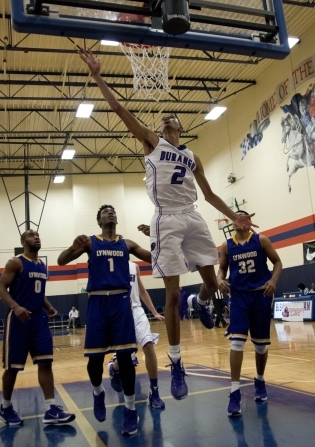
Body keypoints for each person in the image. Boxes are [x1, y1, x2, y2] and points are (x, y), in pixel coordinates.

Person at [78, 49, 256, 401]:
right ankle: (176, 362)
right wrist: (98, 75)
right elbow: (118, 110)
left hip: (192, 214)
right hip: (166, 220)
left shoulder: (192, 155)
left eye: (172, 116)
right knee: (172, 293)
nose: (166, 117)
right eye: (163, 117)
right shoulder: (152, 142)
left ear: (181, 127)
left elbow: (208, 194)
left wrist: (235, 215)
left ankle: (202, 303)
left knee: (212, 283)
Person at [57, 205, 152, 436]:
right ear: (99, 220)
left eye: (113, 210)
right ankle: (98, 392)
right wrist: (73, 246)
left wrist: (158, 236)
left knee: (126, 359)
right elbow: (61, 261)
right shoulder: (90, 242)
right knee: (94, 360)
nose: (110, 212)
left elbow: (154, 257)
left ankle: (130, 410)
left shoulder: (127, 244)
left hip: (121, 302)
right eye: (105, 211)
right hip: (98, 304)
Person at [0, 229, 75, 427]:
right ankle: (5, 408)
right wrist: (15, 307)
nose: (36, 237)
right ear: (23, 242)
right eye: (31, 235)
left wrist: (48, 306)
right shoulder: (15, 262)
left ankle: (51, 409)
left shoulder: (42, 265)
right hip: (19, 319)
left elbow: (38, 292)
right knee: (13, 368)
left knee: (46, 362)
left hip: (39, 319)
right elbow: (0, 289)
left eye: (38, 234)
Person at [216, 211, 282, 416]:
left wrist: (273, 281)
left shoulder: (261, 240)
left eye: (240, 217)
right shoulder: (227, 245)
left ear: (248, 222)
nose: (236, 220)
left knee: (260, 346)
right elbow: (222, 270)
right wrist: (219, 280)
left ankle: (260, 380)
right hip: (239, 297)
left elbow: (278, 263)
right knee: (236, 342)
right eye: (233, 217)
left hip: (260, 295)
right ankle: (234, 392)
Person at [108, 262, 166, 409]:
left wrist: (154, 312)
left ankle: (155, 392)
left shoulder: (134, 266)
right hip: (120, 311)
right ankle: (114, 369)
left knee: (148, 345)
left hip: (137, 310)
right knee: (127, 355)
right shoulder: (111, 266)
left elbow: (142, 291)